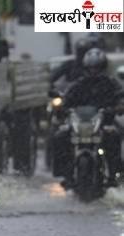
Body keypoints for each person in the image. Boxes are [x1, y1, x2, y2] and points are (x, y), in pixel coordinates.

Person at [53, 48, 124, 187]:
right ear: (85, 68)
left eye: (97, 68)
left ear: (103, 68)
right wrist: (62, 106)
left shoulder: (111, 84)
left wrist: (118, 107)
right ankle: (65, 173)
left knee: (114, 135)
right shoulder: (79, 84)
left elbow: (120, 96)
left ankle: (115, 174)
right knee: (60, 136)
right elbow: (67, 98)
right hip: (81, 124)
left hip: (104, 123)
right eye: (91, 68)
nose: (94, 71)